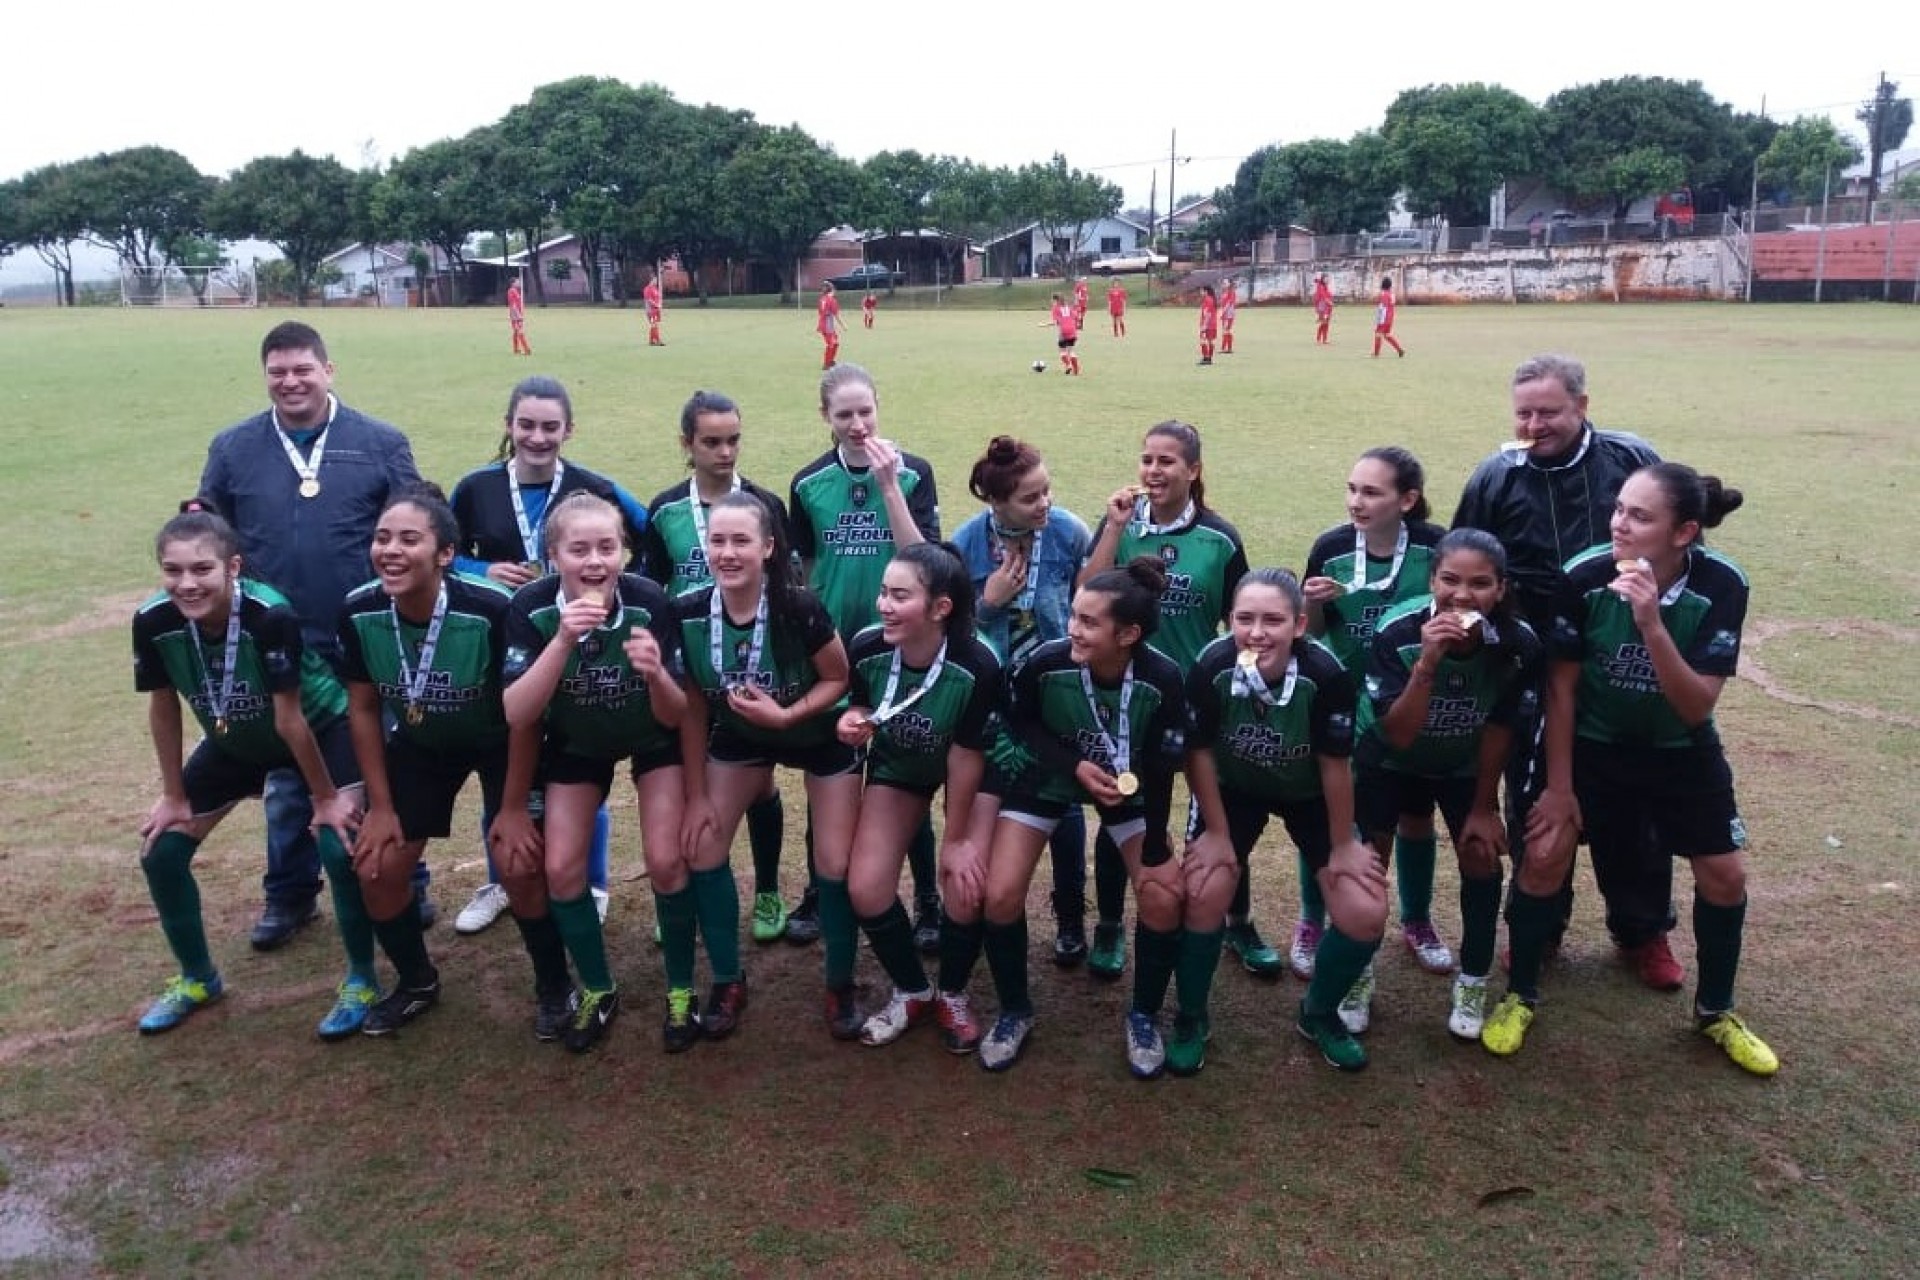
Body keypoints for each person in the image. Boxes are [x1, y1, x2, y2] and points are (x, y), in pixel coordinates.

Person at [1491, 465, 1777, 1077]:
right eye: (1619, 509)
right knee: (1543, 852)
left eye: (1640, 516)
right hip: (1592, 743)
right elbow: (1562, 689)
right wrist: (1561, 788)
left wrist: (1650, 623)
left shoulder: (1722, 585)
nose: (1619, 523)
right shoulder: (1586, 576)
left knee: (1725, 874)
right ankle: (1519, 996)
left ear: (1685, 531)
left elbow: (1696, 703)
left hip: (1679, 747)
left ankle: (1716, 1011)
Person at [198, 321, 424, 951]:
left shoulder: (379, 442)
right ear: (266, 376)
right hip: (274, 639)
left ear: (329, 370)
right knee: (288, 778)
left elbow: (416, 527)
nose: (291, 382)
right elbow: (209, 534)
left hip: (365, 635)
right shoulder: (234, 447)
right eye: (278, 372)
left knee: (384, 762)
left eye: (303, 369)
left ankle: (412, 877)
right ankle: (290, 893)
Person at [1452, 355, 1668, 984]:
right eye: (1523, 412)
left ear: (1582, 406)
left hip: (1620, 653)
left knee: (1635, 800)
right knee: (1535, 798)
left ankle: (1642, 930)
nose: (1534, 424)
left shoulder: (1631, 462)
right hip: (1530, 660)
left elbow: (1678, 543)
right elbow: (1465, 559)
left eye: (1548, 411)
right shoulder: (1496, 476)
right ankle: (1537, 928)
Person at [971, 558, 1228, 1077]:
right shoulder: (1047, 662)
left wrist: (1155, 843)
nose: (1072, 629)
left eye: (1089, 622)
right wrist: (1074, 766)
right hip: (1046, 781)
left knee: (1162, 895)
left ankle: (1143, 1016)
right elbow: (1021, 726)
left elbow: (1159, 770)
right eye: (1073, 615)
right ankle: (1015, 1011)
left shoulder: (1162, 678)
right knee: (997, 894)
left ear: (1129, 633)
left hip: (1128, 796)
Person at [131, 507, 363, 1037]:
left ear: (233, 567)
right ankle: (196, 979)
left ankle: (362, 980)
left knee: (338, 843)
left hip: (319, 728)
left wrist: (325, 798)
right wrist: (173, 795)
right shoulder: (153, 621)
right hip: (232, 739)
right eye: (173, 571)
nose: (186, 584)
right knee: (162, 851)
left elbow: (290, 717)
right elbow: (162, 706)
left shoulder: (267, 614)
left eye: (201, 569)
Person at [446, 376, 647, 934]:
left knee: (580, 753)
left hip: (582, 640)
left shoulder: (593, 488)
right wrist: (479, 569)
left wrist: (630, 599)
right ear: (508, 425)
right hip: (502, 645)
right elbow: (443, 551)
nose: (538, 436)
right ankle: (498, 879)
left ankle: (595, 880)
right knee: (502, 763)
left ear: (568, 430)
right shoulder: (475, 488)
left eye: (550, 426)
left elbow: (651, 533)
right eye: (527, 424)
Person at [498, 492, 688, 1052]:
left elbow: (676, 714)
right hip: (577, 744)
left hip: (651, 737)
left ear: (624, 552)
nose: (595, 562)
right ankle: (598, 990)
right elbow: (517, 712)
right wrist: (561, 639)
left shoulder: (650, 601)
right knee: (559, 869)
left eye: (608, 547)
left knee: (665, 860)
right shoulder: (530, 608)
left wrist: (655, 674)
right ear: (553, 554)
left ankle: (681, 991)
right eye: (578, 549)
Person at [1185, 569, 1387, 1072]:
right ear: (1228, 620)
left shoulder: (1326, 675)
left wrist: (1342, 845)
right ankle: (1190, 1017)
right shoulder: (1211, 664)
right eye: (1244, 618)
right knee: (1202, 892)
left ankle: (1318, 1013)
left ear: (1299, 625)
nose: (1257, 632)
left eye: (1273, 620)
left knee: (1363, 911)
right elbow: (1199, 753)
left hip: (1310, 794)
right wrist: (1214, 832)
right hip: (1234, 789)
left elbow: (1335, 764)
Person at [678, 492, 858, 1040]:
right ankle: (728, 980)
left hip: (817, 733)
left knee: (835, 861)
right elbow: (689, 708)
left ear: (769, 546)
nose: (727, 552)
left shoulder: (797, 606)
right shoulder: (686, 610)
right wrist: (695, 794)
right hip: (740, 736)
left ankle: (840, 983)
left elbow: (838, 678)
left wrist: (787, 716)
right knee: (704, 845)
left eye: (741, 540)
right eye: (717, 540)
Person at [337, 488, 516, 1037]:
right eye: (382, 538)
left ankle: (555, 985)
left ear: (445, 554)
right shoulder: (359, 608)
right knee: (376, 866)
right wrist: (381, 806)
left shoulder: (491, 608)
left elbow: (526, 712)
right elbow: (364, 708)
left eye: (409, 539)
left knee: (525, 864)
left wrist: (510, 808)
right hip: (420, 739)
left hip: (500, 739)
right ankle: (416, 981)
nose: (390, 550)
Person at [1352, 531, 1542, 1045]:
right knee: (1368, 865)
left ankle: (1474, 980)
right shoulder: (1398, 632)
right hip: (1388, 758)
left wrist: (1484, 806)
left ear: (1501, 590)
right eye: (1450, 580)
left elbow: (1502, 726)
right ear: (1431, 580)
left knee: (1481, 854)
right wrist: (1429, 662)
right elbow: (1397, 732)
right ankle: (1356, 973)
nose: (1462, 596)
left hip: (1462, 764)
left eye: (1480, 584)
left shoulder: (1518, 644)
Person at [1080, 421, 1248, 980]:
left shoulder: (1220, 539)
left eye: (1167, 461)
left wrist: (1242, 681)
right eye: (1147, 458)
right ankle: (1108, 924)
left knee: (1216, 816)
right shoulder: (1121, 523)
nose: (1153, 470)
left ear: (1193, 470)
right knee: (1121, 813)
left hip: (1195, 702)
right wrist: (1113, 529)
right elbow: (1089, 591)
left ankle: (1234, 918)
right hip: (1128, 699)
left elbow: (1239, 622)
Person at [788, 364, 943, 947]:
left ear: (880, 408)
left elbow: (923, 558)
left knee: (906, 771)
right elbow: (804, 573)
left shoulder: (914, 473)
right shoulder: (807, 484)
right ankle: (814, 891)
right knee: (826, 776)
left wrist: (887, 485)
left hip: (898, 649)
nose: (857, 424)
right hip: (833, 654)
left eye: (866, 412)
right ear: (825, 417)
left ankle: (928, 900)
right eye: (844, 414)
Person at [640, 390, 792, 943]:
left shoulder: (764, 504)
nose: (725, 452)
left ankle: (769, 888)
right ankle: (681, 898)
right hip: (692, 665)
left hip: (752, 662)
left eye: (733, 440)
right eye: (711, 442)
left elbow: (788, 586)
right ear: (688, 444)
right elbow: (653, 588)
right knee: (688, 776)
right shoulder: (664, 510)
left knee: (758, 782)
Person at [841, 546, 1003, 1049]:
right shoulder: (868, 645)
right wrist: (850, 719)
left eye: (900, 596)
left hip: (973, 774)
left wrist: (958, 840)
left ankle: (952, 993)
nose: (884, 605)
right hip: (901, 767)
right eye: (884, 593)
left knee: (963, 881)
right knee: (866, 887)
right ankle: (912, 989)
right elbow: (859, 701)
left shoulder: (978, 663)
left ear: (940, 608)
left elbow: (967, 755)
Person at [1298, 448, 1449, 982]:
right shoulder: (1332, 547)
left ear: (1407, 500)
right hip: (1346, 707)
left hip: (1413, 701)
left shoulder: (1435, 548)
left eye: (1371, 492)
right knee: (1329, 817)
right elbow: (1310, 633)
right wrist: (1313, 603)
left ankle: (1417, 919)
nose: (1355, 502)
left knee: (1415, 814)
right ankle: (1312, 922)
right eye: (1351, 489)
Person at [950, 436, 1094, 964]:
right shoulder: (965, 546)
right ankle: (979, 904)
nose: (1045, 503)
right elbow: (950, 633)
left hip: (1057, 688)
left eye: (1046, 490)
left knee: (1065, 799)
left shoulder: (1068, 532)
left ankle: (1071, 914)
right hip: (994, 692)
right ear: (996, 502)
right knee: (996, 793)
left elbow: (1090, 598)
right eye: (1031, 498)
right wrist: (987, 605)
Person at [1372, 277, 1404, 358]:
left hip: (1384, 318)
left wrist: (1379, 320)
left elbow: (1382, 307)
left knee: (1378, 334)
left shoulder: (1384, 294)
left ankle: (1376, 354)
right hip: (1390, 318)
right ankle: (1399, 349)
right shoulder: (1392, 294)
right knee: (1387, 335)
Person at [817, 281, 843, 369]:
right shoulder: (831, 300)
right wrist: (843, 325)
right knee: (832, 344)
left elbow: (821, 312)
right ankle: (826, 363)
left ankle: (830, 361)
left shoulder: (822, 299)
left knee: (835, 343)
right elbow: (836, 315)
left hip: (824, 324)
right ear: (832, 290)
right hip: (828, 325)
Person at [507, 275, 531, 356]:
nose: (519, 283)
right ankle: (527, 349)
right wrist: (518, 315)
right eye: (517, 282)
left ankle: (516, 349)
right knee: (519, 331)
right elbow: (513, 304)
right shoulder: (511, 291)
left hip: (517, 314)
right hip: (515, 314)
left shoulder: (516, 291)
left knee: (516, 331)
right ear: (513, 283)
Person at [1197, 284, 1219, 366]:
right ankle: (1209, 358)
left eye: (1201, 291)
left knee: (1202, 340)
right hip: (1212, 324)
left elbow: (1207, 314)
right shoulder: (1211, 299)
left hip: (1208, 324)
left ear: (1206, 292)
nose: (1200, 292)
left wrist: (1204, 325)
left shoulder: (1207, 300)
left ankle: (1206, 357)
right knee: (1210, 341)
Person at [643, 273, 665, 347]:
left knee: (654, 325)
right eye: (655, 280)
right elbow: (649, 300)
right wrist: (656, 305)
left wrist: (659, 305)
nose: (656, 281)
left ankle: (651, 341)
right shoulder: (647, 289)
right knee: (654, 325)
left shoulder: (655, 288)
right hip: (651, 310)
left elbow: (657, 298)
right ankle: (658, 340)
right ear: (651, 280)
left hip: (656, 310)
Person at [1313, 273, 1334, 346]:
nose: (1327, 280)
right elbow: (1323, 296)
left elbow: (1327, 295)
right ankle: (1318, 339)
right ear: (1323, 279)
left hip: (1327, 307)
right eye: (1326, 278)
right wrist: (1329, 302)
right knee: (1323, 323)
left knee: (1327, 323)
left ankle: (1324, 339)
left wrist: (1330, 302)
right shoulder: (1320, 286)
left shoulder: (1325, 286)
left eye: (1328, 278)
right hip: (1322, 307)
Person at [1219, 277, 1238, 354]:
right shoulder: (1224, 292)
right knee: (1226, 331)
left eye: (1225, 282)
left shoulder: (1231, 292)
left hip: (1229, 314)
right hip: (1225, 313)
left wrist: (1223, 312)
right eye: (1223, 282)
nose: (1224, 284)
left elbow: (1229, 303)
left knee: (1226, 330)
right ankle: (1228, 349)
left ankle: (1225, 348)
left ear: (1229, 284)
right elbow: (1223, 303)